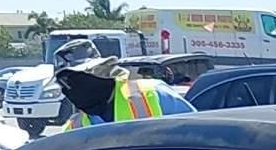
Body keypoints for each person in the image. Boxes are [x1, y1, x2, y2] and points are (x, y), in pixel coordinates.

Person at [50, 45, 191, 130]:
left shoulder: (152, 93)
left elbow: (199, 135)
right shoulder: (74, 128)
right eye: (66, 83)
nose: (75, 88)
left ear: (102, 70)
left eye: (79, 78)